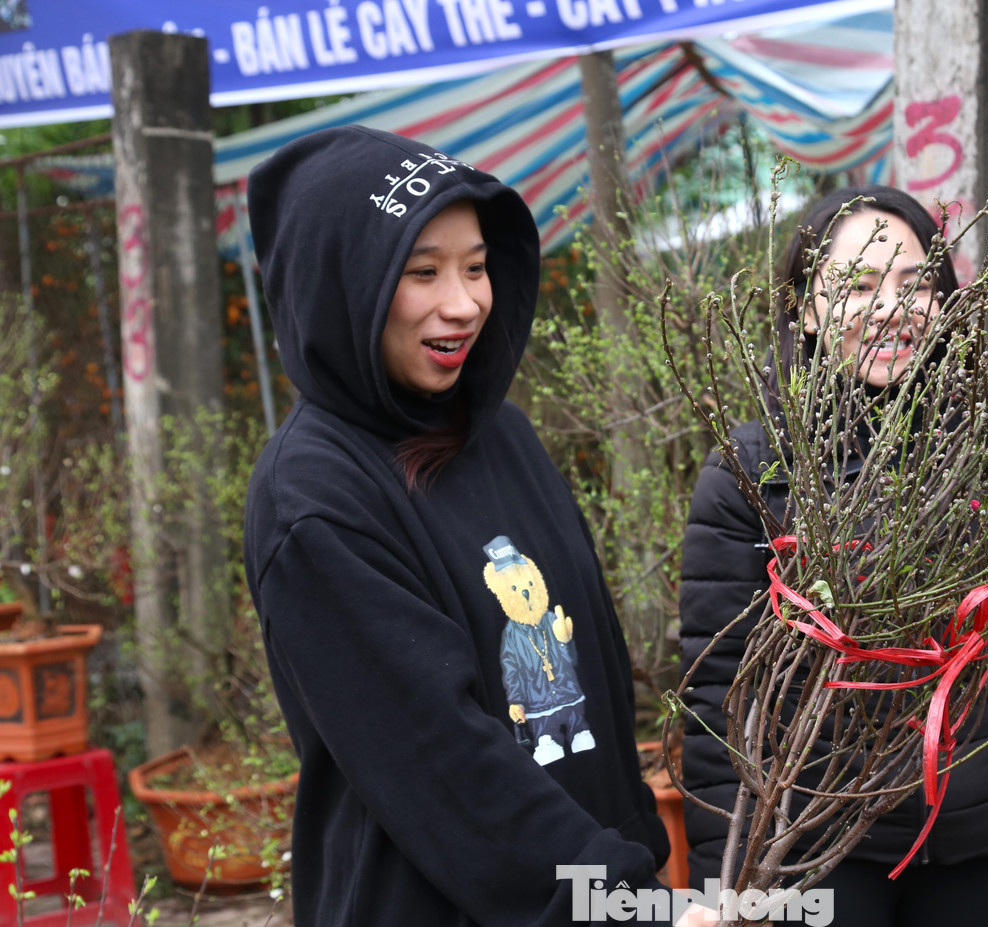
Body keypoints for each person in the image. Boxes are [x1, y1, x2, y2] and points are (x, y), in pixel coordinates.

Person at [677, 185, 988, 927]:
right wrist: (723, 886)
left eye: (913, 282)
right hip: (809, 851)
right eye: (857, 285)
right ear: (806, 311)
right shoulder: (753, 473)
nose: (891, 307)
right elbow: (721, 695)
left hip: (971, 843)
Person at [243, 125, 714, 926]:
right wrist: (620, 899)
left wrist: (637, 854)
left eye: (476, 265)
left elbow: (593, 675)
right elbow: (441, 759)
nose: (463, 303)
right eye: (422, 271)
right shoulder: (312, 494)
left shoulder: (502, 436)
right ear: (343, 283)